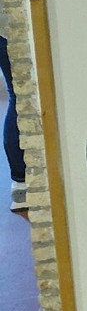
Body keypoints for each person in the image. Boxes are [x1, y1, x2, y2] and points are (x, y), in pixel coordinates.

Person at [0, 35, 26, 212]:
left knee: (17, 96)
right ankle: (21, 181)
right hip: (10, 31)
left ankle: (20, 183)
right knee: (20, 96)